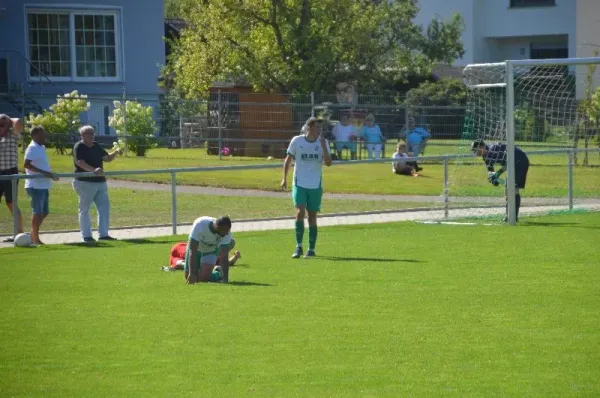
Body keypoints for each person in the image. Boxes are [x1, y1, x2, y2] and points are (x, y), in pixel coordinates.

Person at [281, 116, 333, 258]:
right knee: (300, 211)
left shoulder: (324, 142)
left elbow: (328, 163)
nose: (319, 130)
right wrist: (284, 178)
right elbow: (288, 159)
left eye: (320, 128)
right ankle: (298, 246)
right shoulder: (297, 141)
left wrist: (323, 147)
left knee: (312, 216)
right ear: (309, 128)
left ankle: (311, 249)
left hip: (315, 184)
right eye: (317, 127)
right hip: (299, 183)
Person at [72, 125, 122, 242]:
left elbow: (107, 158)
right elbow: (80, 162)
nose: (91, 135)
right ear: (82, 135)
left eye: (92, 133)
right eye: (88, 133)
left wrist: (115, 152)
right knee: (84, 209)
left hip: (100, 182)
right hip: (85, 182)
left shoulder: (96, 146)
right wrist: (93, 170)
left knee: (104, 208)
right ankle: (87, 236)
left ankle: (103, 235)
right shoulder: (79, 146)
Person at [471, 139, 530, 222]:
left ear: (481, 147)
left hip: (520, 161)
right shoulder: (485, 156)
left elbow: (509, 162)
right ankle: (509, 216)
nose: (475, 153)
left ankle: (513, 217)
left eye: (475, 150)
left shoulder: (493, 150)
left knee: (513, 189)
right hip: (512, 164)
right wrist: (493, 179)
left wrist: (498, 173)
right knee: (507, 190)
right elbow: (490, 170)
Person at [23, 126, 59, 245]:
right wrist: (44, 173)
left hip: (44, 185)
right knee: (37, 212)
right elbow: (26, 165)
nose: (45, 137)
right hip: (35, 185)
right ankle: (35, 238)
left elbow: (43, 164)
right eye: (42, 134)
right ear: (34, 136)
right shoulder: (32, 148)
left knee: (44, 212)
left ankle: (32, 233)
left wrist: (51, 174)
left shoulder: (41, 147)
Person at [185, 215, 234, 284]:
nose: (227, 234)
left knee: (202, 278)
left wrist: (225, 279)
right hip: (197, 249)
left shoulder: (227, 233)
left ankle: (218, 273)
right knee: (189, 276)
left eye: (228, 231)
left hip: (211, 250)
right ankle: (203, 272)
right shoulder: (200, 225)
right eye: (225, 231)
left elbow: (224, 257)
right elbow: (193, 251)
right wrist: (192, 273)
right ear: (217, 228)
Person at [0, 114, 24, 242]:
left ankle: (18, 233)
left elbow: (18, 121)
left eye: (4, 124)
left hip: (10, 173)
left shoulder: (13, 135)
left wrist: (7, 119)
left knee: (11, 203)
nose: (1, 127)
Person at [163, 240, 241, 272]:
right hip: (184, 249)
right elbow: (180, 263)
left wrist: (235, 257)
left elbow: (228, 263)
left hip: (189, 249)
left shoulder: (215, 257)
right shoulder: (176, 255)